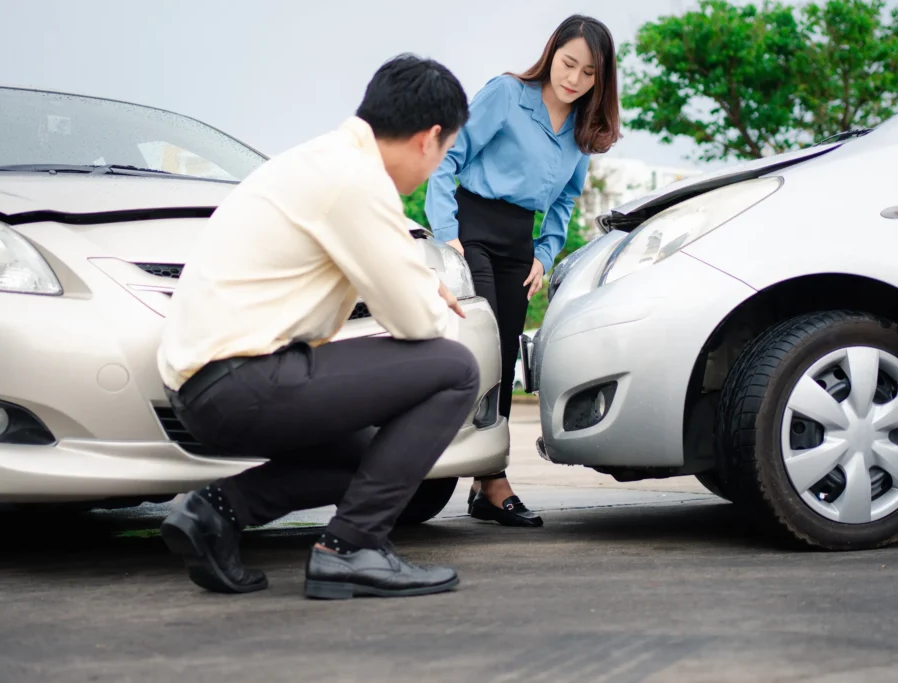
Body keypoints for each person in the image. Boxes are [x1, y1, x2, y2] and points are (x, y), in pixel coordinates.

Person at [156, 54, 477, 600]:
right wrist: (424, 287)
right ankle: (351, 549)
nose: (435, 166)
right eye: (445, 152)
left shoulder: (325, 162)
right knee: (455, 369)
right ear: (429, 138)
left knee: (376, 459)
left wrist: (414, 278)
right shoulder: (355, 181)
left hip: (207, 386)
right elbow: (417, 321)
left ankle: (215, 512)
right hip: (239, 380)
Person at [424, 14, 621, 528]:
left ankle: (484, 483)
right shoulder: (507, 94)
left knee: (506, 354)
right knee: (484, 347)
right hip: (471, 229)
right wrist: (447, 234)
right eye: (568, 63)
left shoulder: (583, 131)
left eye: (588, 73)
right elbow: (447, 157)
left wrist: (544, 253)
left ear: (601, 79)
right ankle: (491, 478)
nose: (574, 79)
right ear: (552, 53)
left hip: (518, 244)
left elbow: (565, 203)